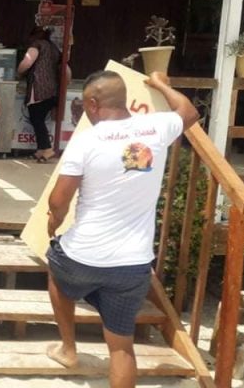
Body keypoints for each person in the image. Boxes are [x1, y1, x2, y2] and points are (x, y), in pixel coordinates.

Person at [45, 70, 199, 388]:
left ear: (93, 103)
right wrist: (161, 85)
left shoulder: (86, 140)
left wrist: (53, 223)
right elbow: (189, 112)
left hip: (82, 258)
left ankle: (68, 349)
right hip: (133, 265)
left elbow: (59, 201)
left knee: (56, 270)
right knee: (121, 347)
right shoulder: (157, 127)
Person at [17, 26, 69, 163]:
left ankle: (47, 149)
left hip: (39, 88)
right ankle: (40, 149)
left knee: (37, 119)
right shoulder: (54, 48)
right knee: (38, 119)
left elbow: (27, 62)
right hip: (53, 89)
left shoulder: (37, 45)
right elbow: (66, 69)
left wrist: (19, 71)